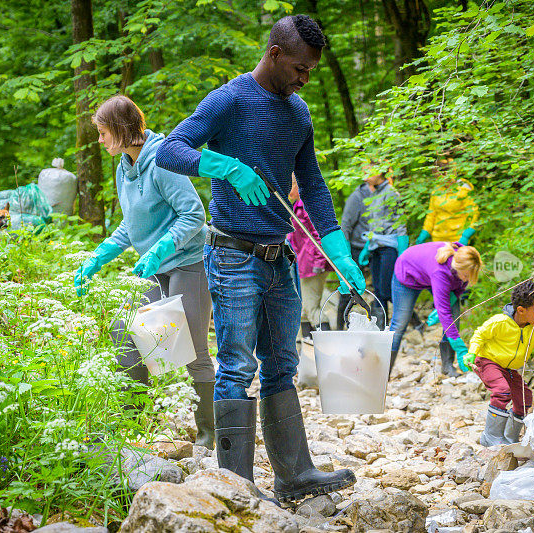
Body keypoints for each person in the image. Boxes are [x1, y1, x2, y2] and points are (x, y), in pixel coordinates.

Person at [154, 15, 364, 503]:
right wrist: (224, 165)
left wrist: (338, 249)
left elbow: (310, 183)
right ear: (273, 54)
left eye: (311, 70)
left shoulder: (299, 114)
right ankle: (237, 490)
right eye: (299, 68)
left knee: (282, 364)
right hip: (232, 256)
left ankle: (294, 475)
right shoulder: (229, 100)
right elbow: (171, 150)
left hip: (280, 258)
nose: (304, 78)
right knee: (234, 367)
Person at [74, 95, 216, 448]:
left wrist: (159, 250)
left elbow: (194, 215)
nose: (100, 140)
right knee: (125, 332)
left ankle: (211, 434)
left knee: (194, 349)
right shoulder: (125, 165)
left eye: (103, 132)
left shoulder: (164, 160)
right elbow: (131, 223)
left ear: (121, 130)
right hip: (155, 267)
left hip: (188, 263)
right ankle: (129, 426)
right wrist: (99, 256)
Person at [464, 281, 534, 446]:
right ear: (521, 310)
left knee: (525, 397)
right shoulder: (500, 322)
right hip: (487, 361)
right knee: (502, 391)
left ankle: (509, 437)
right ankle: (491, 437)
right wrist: (471, 352)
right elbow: (479, 335)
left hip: (508, 368)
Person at [388, 241, 482, 377]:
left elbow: (459, 289)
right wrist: (458, 344)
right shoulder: (441, 272)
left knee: (454, 315)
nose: (467, 279)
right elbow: (444, 313)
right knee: (400, 322)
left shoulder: (466, 261)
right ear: (458, 268)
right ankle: (385, 370)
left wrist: (450, 300)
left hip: (428, 273)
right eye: (466, 276)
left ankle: (447, 366)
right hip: (407, 274)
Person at [341, 164, 407, 328]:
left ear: (380, 172)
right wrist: (366, 248)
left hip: (389, 248)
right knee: (378, 291)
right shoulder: (374, 194)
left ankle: (407, 321)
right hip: (375, 248)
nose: (364, 177)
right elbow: (373, 226)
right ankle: (381, 327)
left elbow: (400, 225)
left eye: (367, 173)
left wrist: (403, 253)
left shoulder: (391, 193)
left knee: (385, 290)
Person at [287, 180, 332, 337]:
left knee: (311, 307)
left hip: (313, 264)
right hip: (304, 263)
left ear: (297, 184)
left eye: (289, 185)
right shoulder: (297, 206)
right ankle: (308, 347)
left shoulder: (307, 206)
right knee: (304, 309)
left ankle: (329, 344)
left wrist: (319, 262)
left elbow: (318, 234)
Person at [415, 158, 478, 246]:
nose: (438, 180)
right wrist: (425, 232)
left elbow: (472, 214)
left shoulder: (463, 190)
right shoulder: (436, 191)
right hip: (438, 238)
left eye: (438, 176)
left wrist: (466, 235)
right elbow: (431, 214)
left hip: (457, 238)